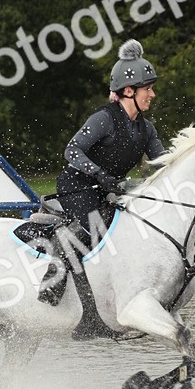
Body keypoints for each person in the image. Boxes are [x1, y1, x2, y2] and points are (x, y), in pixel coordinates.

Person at [38, 38, 165, 331]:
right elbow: (71, 151)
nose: (153, 95)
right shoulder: (103, 119)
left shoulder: (146, 129)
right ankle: (57, 284)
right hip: (77, 187)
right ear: (129, 91)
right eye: (148, 89)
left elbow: (163, 165)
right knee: (89, 227)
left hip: (107, 192)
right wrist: (98, 174)